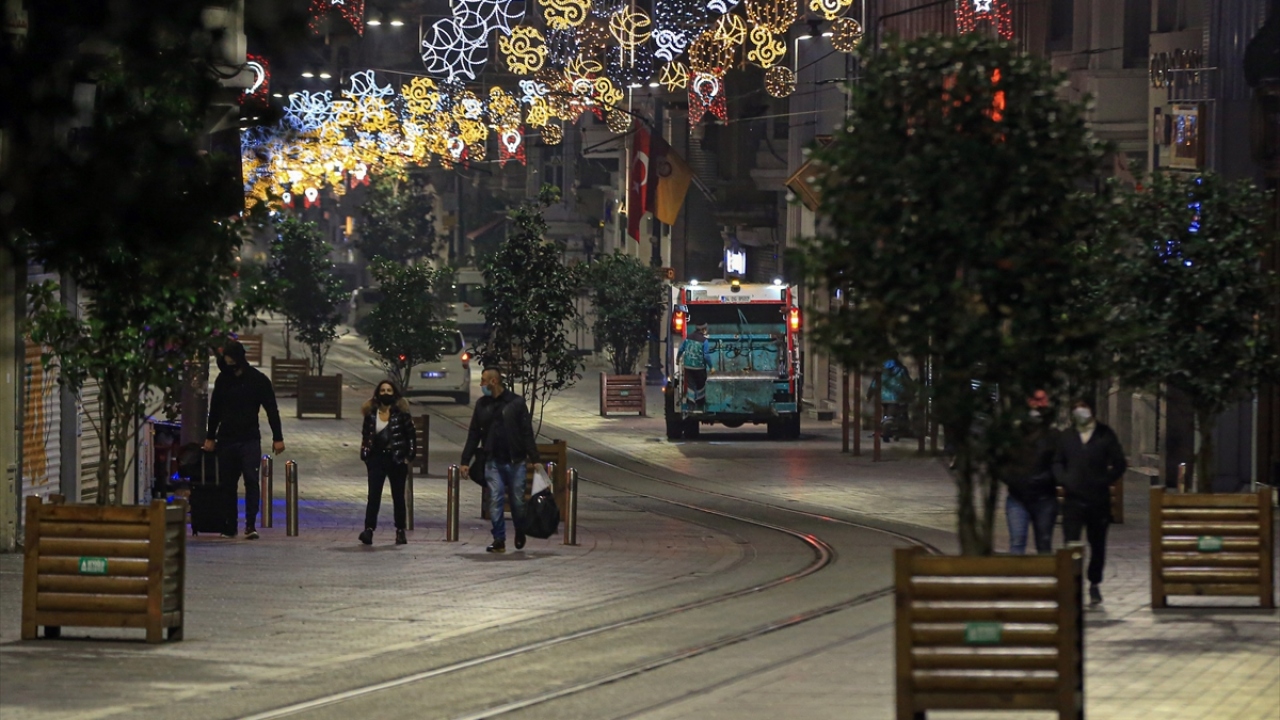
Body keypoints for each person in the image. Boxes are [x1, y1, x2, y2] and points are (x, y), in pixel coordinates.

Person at [204, 340, 285, 540]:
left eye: (231, 360)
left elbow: (271, 409)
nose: (229, 365)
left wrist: (278, 437)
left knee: (251, 479)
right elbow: (215, 410)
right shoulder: (224, 380)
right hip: (227, 438)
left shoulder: (257, 380)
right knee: (228, 484)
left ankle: (250, 524)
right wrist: (210, 436)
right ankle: (230, 525)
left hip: (249, 438)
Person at [1053, 397, 1127, 605]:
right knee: (1071, 544)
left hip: (1098, 500)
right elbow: (1057, 461)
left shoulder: (1105, 434)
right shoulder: (1067, 436)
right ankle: (1072, 584)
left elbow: (1119, 463)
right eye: (1076, 409)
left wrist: (1104, 480)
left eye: (1083, 408)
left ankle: (1094, 583)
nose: (1080, 412)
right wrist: (1064, 479)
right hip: (1073, 500)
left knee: (1098, 545)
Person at [460, 368, 539, 553]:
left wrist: (535, 458)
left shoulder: (516, 403)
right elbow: (474, 433)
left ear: (493, 382)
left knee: (517, 502)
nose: (481, 384)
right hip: (492, 461)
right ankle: (499, 539)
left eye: (483, 380)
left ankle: (520, 529)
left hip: (515, 460)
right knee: (495, 500)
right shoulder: (482, 405)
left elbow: (526, 432)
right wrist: (465, 460)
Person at [358, 380, 416, 546]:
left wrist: (408, 456)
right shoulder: (371, 414)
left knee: (398, 496)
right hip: (376, 459)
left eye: (389, 390)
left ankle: (400, 530)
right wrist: (366, 456)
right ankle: (369, 529)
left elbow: (411, 436)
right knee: (373, 496)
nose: (385, 393)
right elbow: (366, 436)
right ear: (378, 393)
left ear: (394, 393)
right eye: (382, 390)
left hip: (396, 458)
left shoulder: (401, 414)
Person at [1002, 390, 1059, 554]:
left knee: (1044, 543)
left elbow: (1059, 462)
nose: (1038, 404)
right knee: (1017, 542)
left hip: (1045, 497)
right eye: (1035, 399)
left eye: (1042, 399)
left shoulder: (1052, 434)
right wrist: (1014, 479)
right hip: (1017, 497)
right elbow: (1003, 461)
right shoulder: (1015, 433)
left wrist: (1049, 479)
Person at [678, 323, 710, 409]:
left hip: (688, 366)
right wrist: (711, 366)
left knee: (690, 385)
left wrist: (677, 359)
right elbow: (706, 356)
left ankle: (691, 404)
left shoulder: (688, 338)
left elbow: (681, 349)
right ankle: (700, 403)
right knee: (701, 385)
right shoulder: (704, 340)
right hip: (699, 367)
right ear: (704, 330)